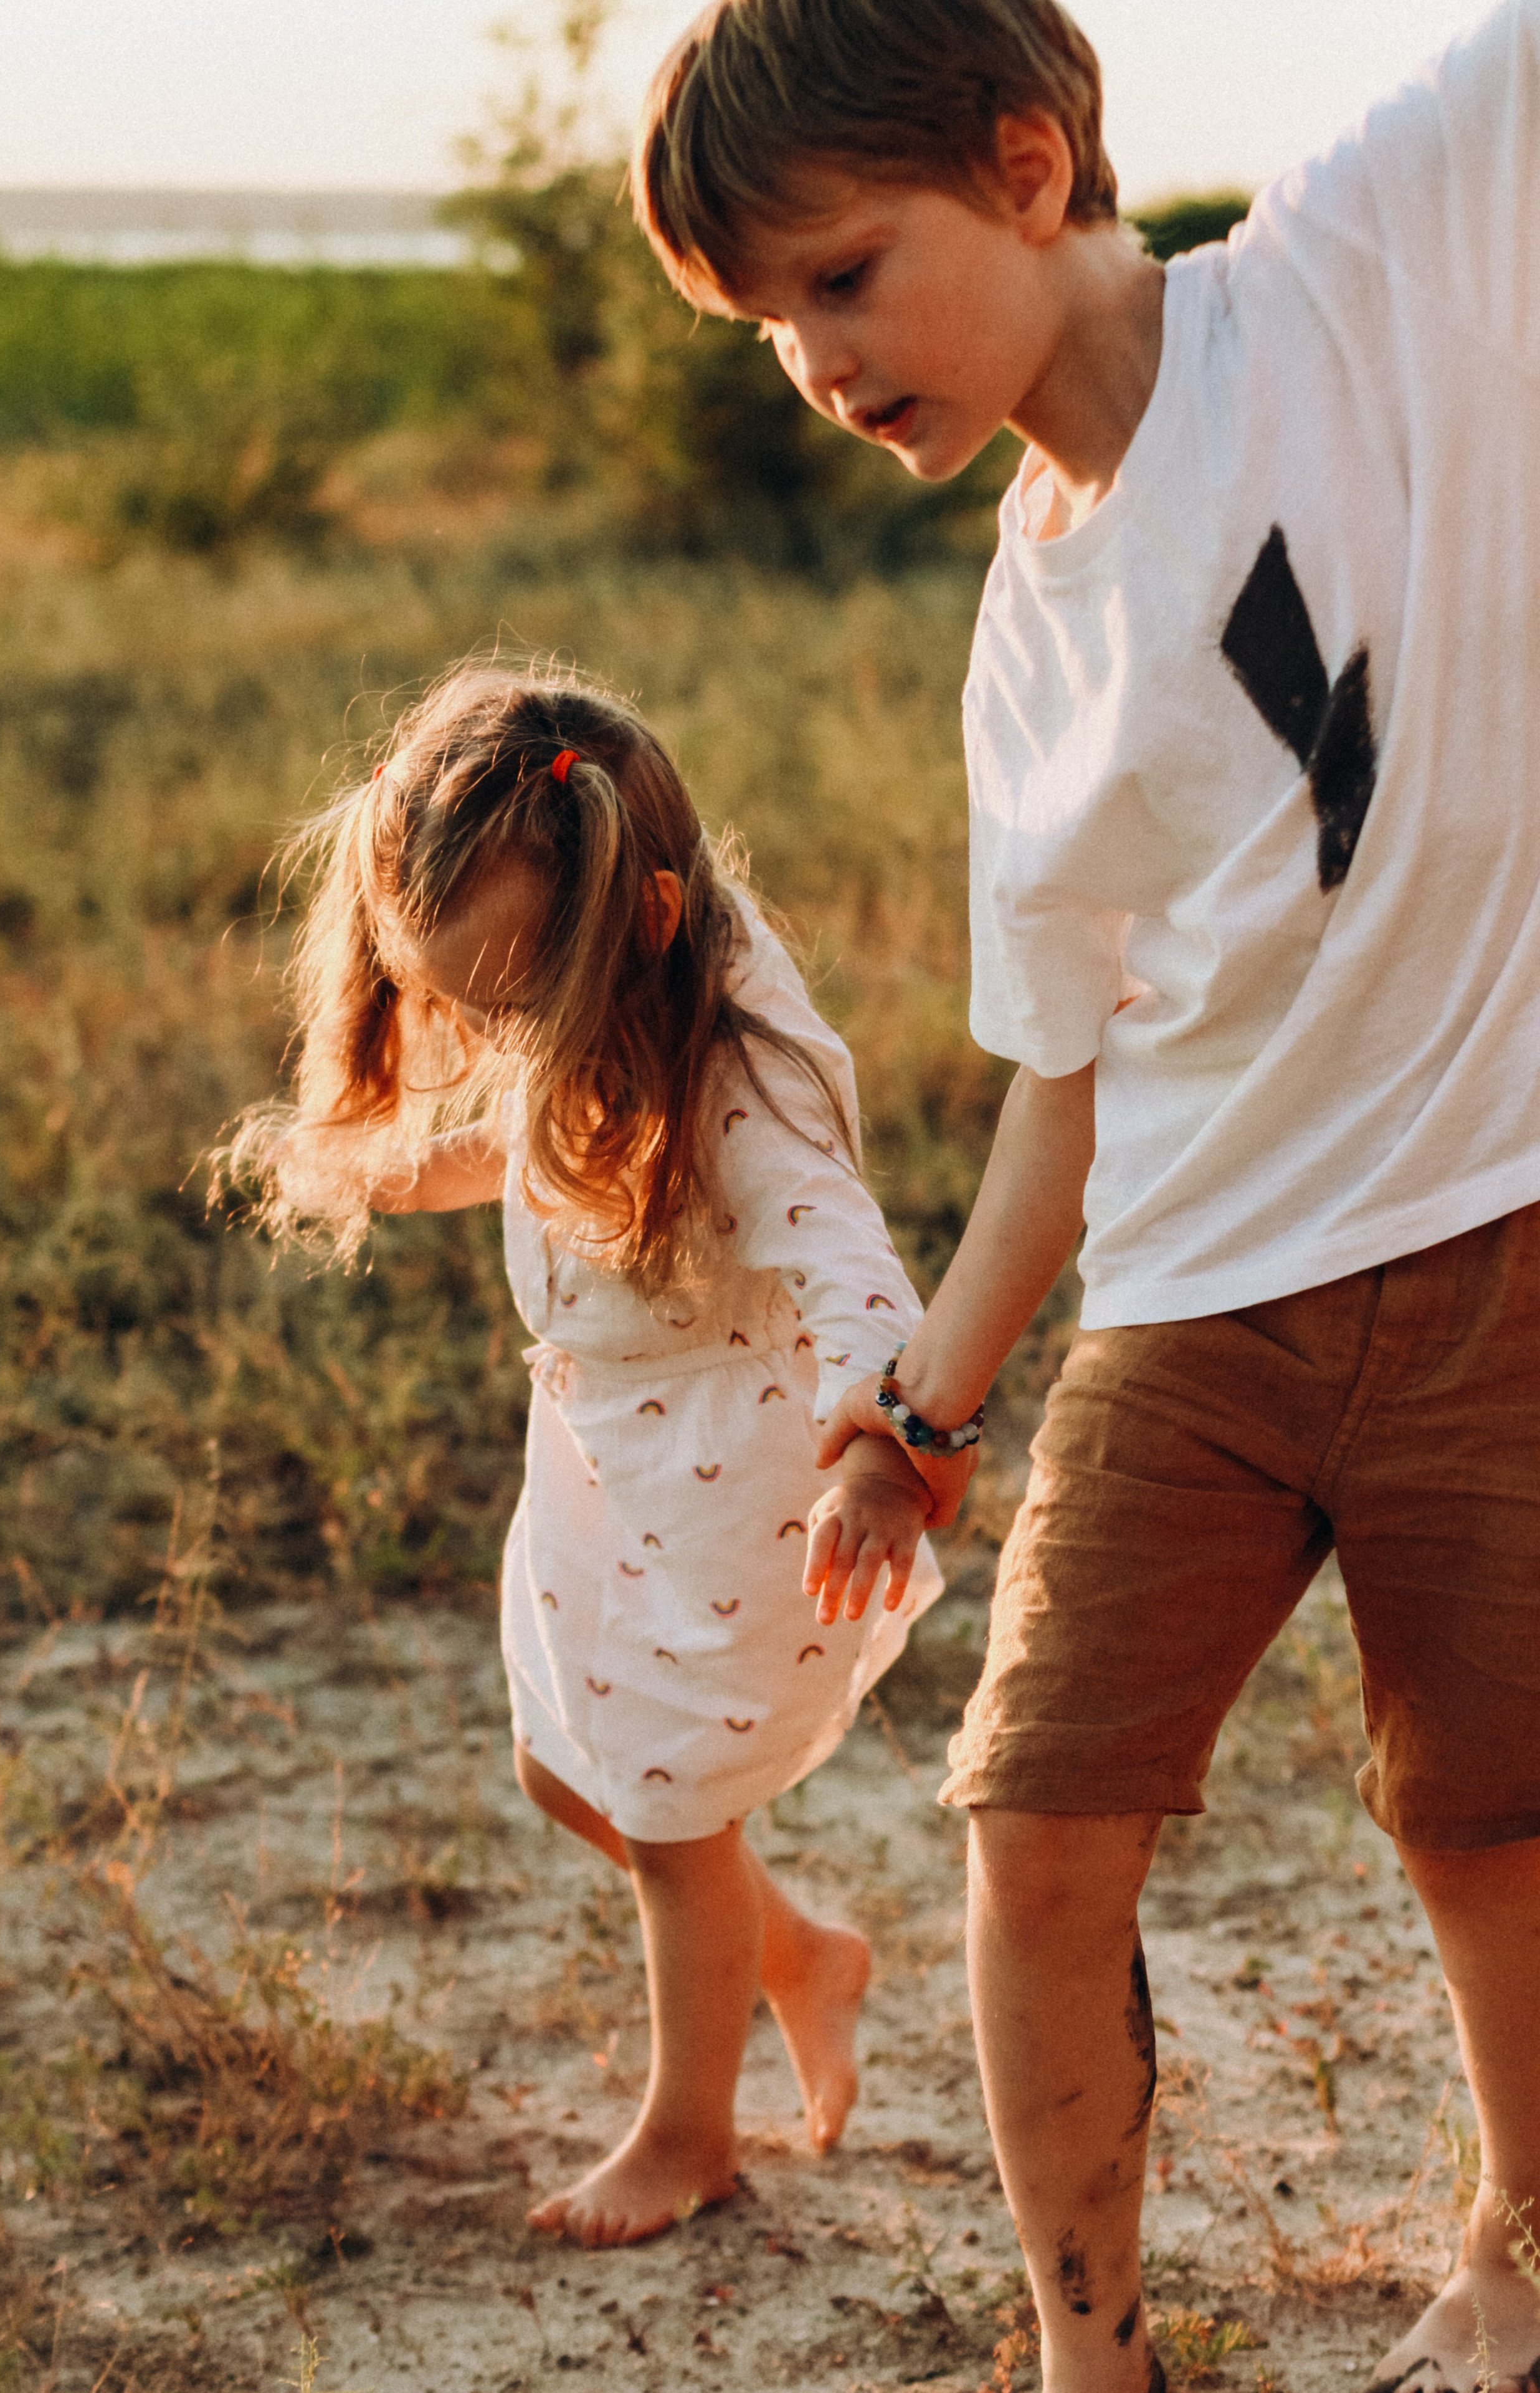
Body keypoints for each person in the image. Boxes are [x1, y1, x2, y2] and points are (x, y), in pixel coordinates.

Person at [634, 1, 1540, 2386]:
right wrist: (920, 1416)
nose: (812, 365)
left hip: (1493, 1233)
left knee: (1493, 1824)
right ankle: (1089, 2354)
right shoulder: (1025, 649)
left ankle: (1523, 2258)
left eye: (840, 277)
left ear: (1028, 163)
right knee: (1032, 1825)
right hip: (1193, 1309)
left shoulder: (1368, 262)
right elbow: (1059, 1095)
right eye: (766, 331)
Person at [227, 666, 945, 2248]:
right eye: (463, 1009)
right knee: (562, 1768)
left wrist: (877, 1456)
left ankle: (689, 2134)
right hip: (603, 1466)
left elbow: (853, 1271)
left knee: (675, 1824)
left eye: (503, 1012)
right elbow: (551, 1128)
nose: (487, 1041)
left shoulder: (743, 1084)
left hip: (737, 1480)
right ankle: (802, 1954)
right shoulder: (602, 982)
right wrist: (395, 1168)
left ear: (646, 920)